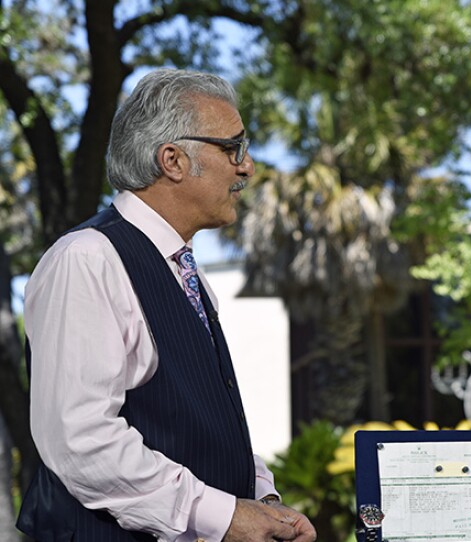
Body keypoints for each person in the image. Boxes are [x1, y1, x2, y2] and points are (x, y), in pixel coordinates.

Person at [17, 69, 317, 542]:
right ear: (173, 160)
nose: (248, 166)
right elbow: (81, 441)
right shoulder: (87, 259)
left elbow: (203, 424)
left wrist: (262, 503)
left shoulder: (185, 272)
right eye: (233, 147)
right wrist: (224, 516)